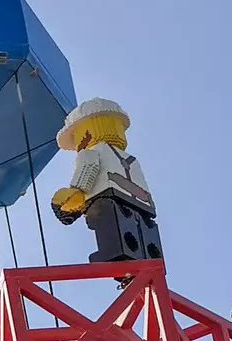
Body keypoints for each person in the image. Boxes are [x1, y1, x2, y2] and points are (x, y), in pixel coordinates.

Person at [50, 97, 160, 264]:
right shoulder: (131, 159)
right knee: (142, 233)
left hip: (107, 198)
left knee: (108, 224)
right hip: (142, 206)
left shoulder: (91, 152)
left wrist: (68, 199)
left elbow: (85, 176)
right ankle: (150, 259)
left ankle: (113, 254)